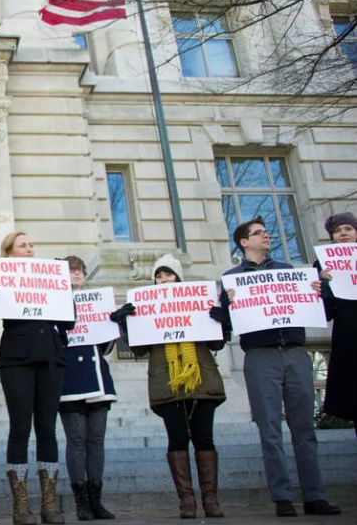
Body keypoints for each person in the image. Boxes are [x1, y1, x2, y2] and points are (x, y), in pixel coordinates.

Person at [220, 217, 341, 517]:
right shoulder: (232, 278)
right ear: (244, 242)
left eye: (266, 232)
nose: (266, 236)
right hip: (261, 356)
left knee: (305, 428)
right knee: (270, 429)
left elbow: (323, 311)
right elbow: (224, 325)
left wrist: (321, 290)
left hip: (296, 352)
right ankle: (282, 497)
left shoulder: (289, 272)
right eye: (258, 233)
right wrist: (226, 304)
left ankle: (314, 496)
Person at [109, 254, 227, 519]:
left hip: (201, 380)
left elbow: (217, 344)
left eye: (168, 275)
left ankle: (210, 499)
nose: (163, 280)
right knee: (177, 439)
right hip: (167, 383)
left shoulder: (197, 303)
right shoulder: (149, 308)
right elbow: (139, 349)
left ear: (178, 277)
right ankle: (187, 501)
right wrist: (126, 323)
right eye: (158, 276)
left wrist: (221, 320)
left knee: (204, 438)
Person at [0, 232, 73, 525]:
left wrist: (63, 290)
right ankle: (21, 507)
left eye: (31, 245)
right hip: (16, 359)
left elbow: (69, 322)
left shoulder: (48, 278)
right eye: (23, 246)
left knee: (47, 428)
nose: (30, 249)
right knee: (20, 427)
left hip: (50, 358)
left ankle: (49, 505)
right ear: (9, 253)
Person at [58, 256, 116, 521]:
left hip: (97, 378)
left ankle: (96, 500)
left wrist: (115, 324)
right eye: (72, 270)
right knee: (77, 440)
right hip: (69, 379)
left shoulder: (96, 301)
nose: (78, 273)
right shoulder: (53, 302)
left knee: (97, 441)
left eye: (80, 269)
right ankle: (80, 500)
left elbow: (104, 347)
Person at [317, 212, 357, 437]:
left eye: (348, 229)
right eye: (337, 231)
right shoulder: (323, 265)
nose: (343, 234)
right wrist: (324, 284)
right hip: (349, 341)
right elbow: (325, 313)